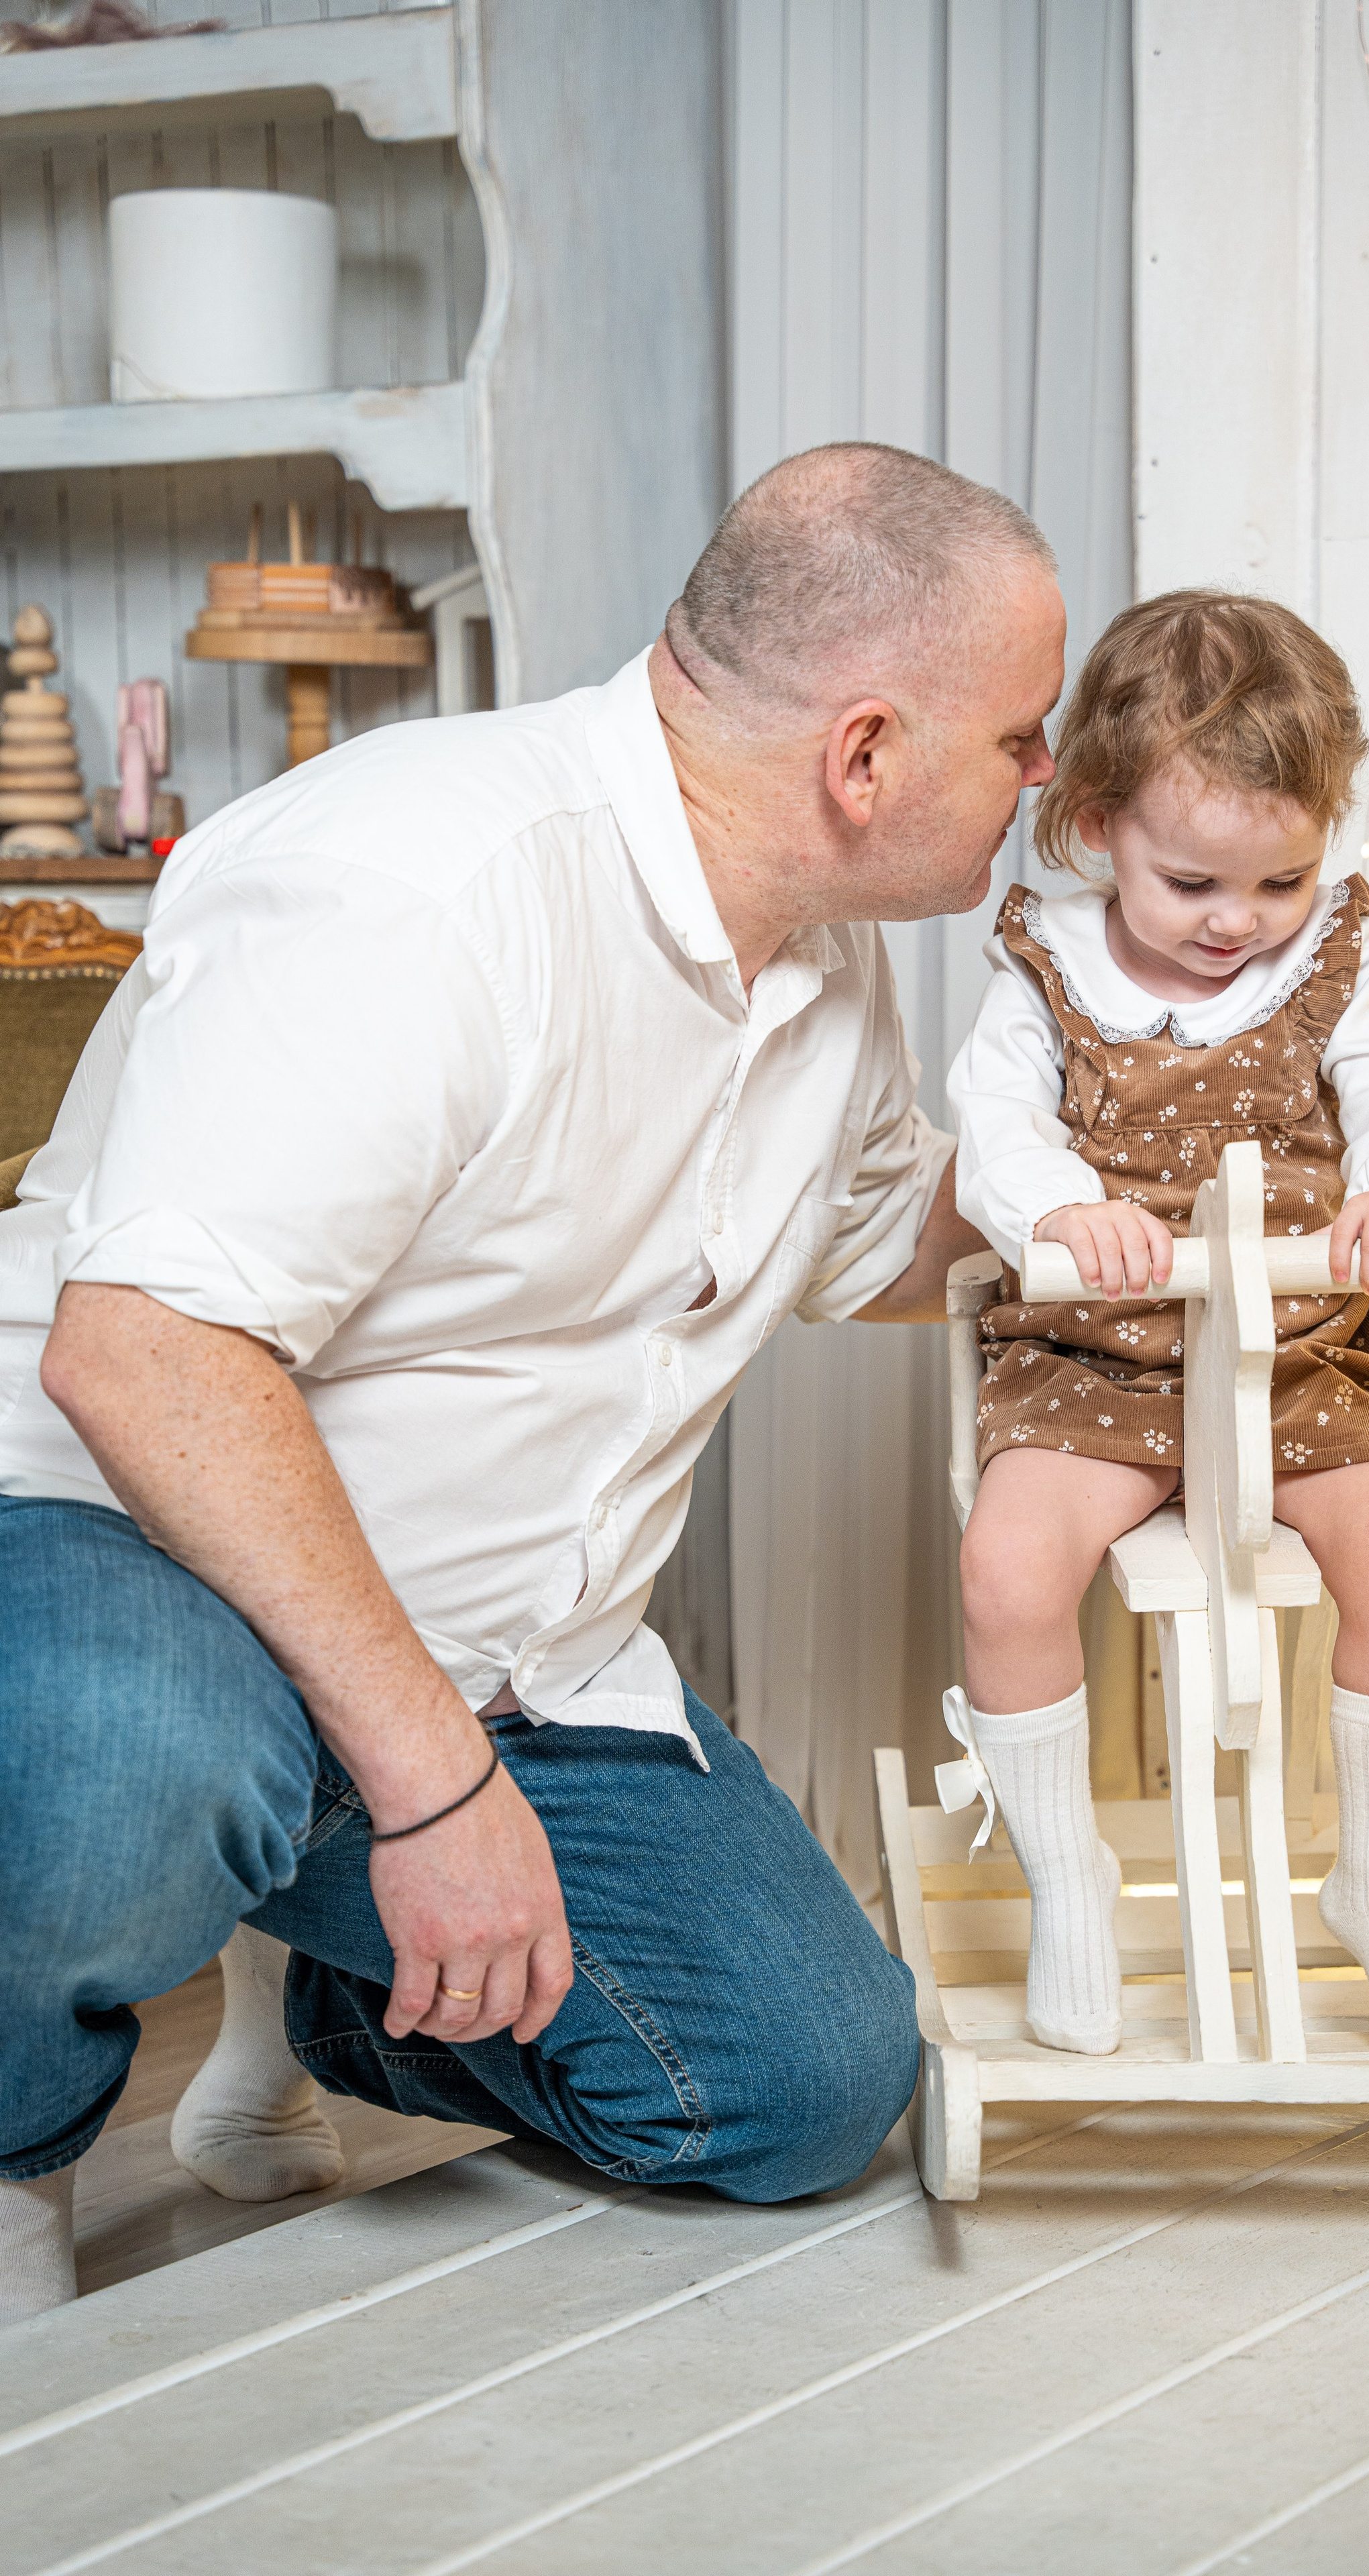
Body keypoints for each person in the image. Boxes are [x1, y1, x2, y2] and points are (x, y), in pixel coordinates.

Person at [0, 442, 1064, 2326]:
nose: (1046, 780)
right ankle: (17, 2153)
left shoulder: (821, 968)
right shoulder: (416, 884)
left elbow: (889, 1248)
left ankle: (320, 1977)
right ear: (868, 754)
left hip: (511, 1662)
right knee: (119, 1770)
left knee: (807, 2086)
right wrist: (430, 1794)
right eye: (1025, 737)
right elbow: (143, 1353)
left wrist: (1122, 1141)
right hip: (130, 1573)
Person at [946, 590, 1369, 2059]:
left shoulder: (1329, 967)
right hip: (1097, 1353)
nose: (1234, 925)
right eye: (1188, 885)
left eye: (1277, 882)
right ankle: (1066, 1879)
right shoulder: (1043, 970)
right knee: (1006, 1568)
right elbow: (989, 1127)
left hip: (1291, 1350)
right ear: (1098, 824)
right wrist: (1058, 1212)